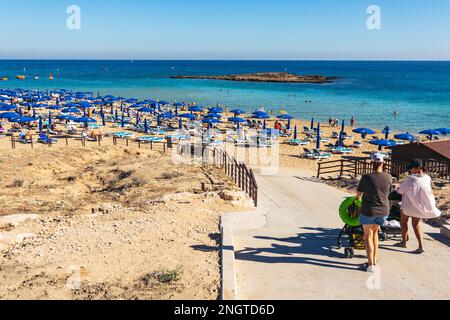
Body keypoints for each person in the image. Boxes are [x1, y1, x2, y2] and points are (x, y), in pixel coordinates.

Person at [355, 153, 393, 273]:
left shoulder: (366, 177)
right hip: (383, 211)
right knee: (375, 233)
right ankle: (375, 260)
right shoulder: (388, 177)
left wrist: (356, 200)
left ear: (371, 163)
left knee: (368, 236)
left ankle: (370, 265)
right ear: (383, 163)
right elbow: (389, 192)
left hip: (369, 211)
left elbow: (358, 193)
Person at [397, 159, 441, 253]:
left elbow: (401, 191)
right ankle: (421, 246)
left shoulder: (410, 179)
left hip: (408, 205)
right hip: (419, 206)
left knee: (403, 222)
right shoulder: (427, 178)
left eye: (412, 168)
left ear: (418, 168)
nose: (410, 170)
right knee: (416, 224)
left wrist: (397, 188)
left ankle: (404, 242)